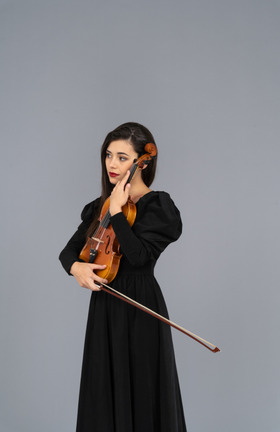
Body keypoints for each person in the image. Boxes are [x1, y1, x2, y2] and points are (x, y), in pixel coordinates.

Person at [59, 122, 187, 432]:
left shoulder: (159, 206)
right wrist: (77, 268)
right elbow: (69, 253)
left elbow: (139, 256)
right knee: (104, 385)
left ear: (143, 161)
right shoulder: (100, 206)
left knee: (143, 387)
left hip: (141, 303)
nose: (112, 164)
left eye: (122, 157)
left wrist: (118, 213)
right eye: (108, 155)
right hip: (105, 306)